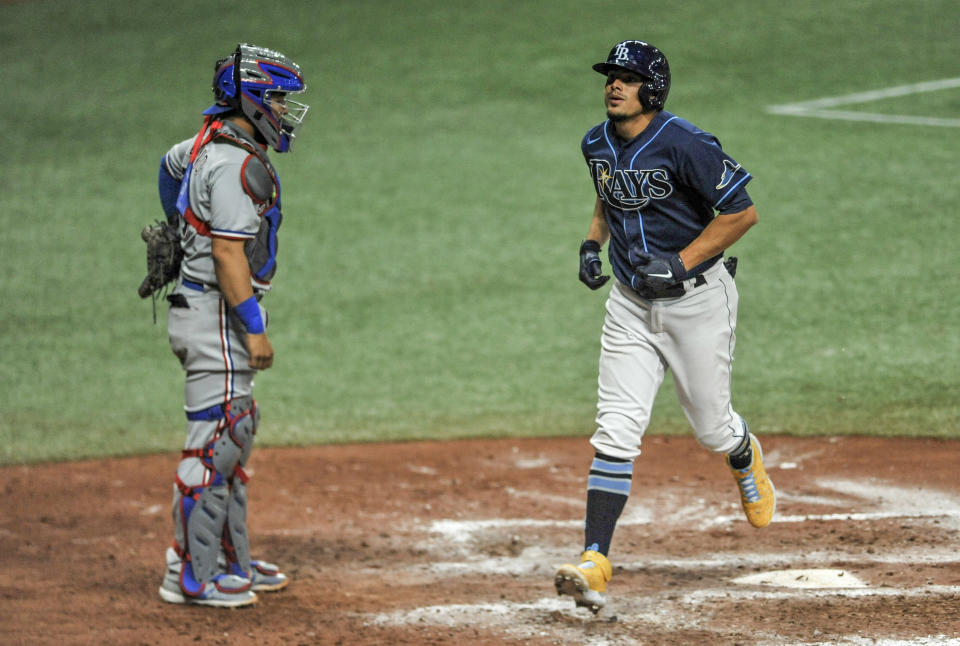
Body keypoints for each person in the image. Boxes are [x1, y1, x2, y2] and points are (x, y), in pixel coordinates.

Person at [554, 40, 775, 614]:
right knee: (616, 428)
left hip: (697, 302)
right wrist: (590, 242)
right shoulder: (595, 142)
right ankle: (594, 560)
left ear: (652, 88)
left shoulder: (686, 143)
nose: (613, 85)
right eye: (609, 76)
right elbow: (607, 197)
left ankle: (742, 451)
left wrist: (680, 261)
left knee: (711, 427)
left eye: (625, 78)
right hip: (629, 307)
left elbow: (741, 212)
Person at [154, 43, 309, 607]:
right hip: (216, 316)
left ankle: (227, 557)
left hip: (203, 312)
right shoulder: (233, 165)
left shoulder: (206, 144)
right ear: (248, 99)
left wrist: (179, 228)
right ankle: (190, 576)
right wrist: (254, 326)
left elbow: (169, 167)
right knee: (215, 442)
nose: (286, 110)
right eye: (277, 98)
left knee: (233, 437)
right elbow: (227, 256)